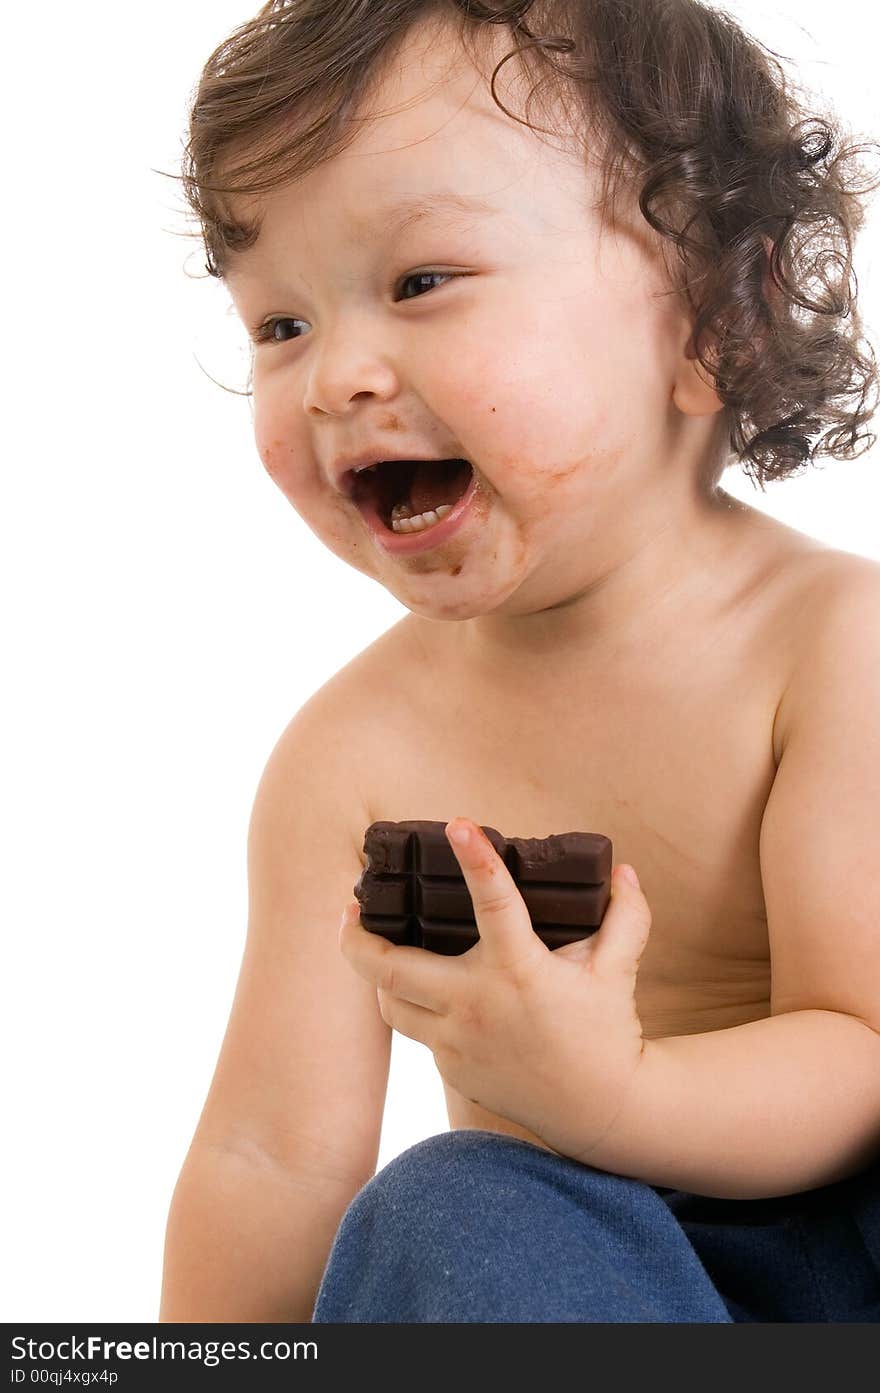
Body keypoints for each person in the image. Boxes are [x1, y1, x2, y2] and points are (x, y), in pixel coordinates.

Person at [158, 0, 880, 1322]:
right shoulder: (353, 758)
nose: (333, 380)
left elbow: (864, 1050)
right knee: (450, 1200)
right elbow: (269, 1156)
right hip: (574, 1295)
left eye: (420, 282)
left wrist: (619, 1100)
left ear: (716, 314)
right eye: (279, 326)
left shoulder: (834, 649)